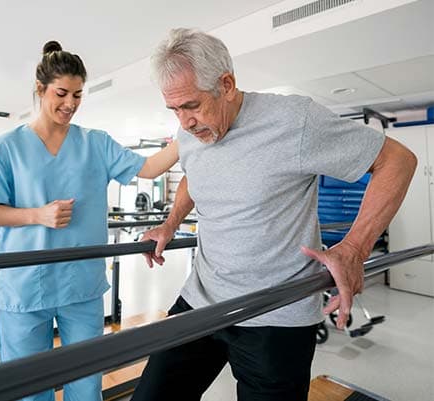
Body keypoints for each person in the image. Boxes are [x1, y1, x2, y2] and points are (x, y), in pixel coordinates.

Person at [131, 28, 416, 401]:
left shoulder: (293, 120)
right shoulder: (190, 133)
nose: (184, 121)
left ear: (227, 84)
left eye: (191, 106)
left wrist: (354, 249)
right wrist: (169, 224)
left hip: (276, 315)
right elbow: (192, 173)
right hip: (202, 299)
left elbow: (397, 160)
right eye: (174, 110)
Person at [0, 41, 179, 401]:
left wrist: (187, 131)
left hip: (80, 286)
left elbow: (149, 168)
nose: (70, 103)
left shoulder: (95, 143)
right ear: (40, 90)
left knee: (86, 385)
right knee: (27, 387)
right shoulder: (6, 147)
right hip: (25, 285)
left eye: (78, 95)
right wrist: (37, 215)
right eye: (62, 93)